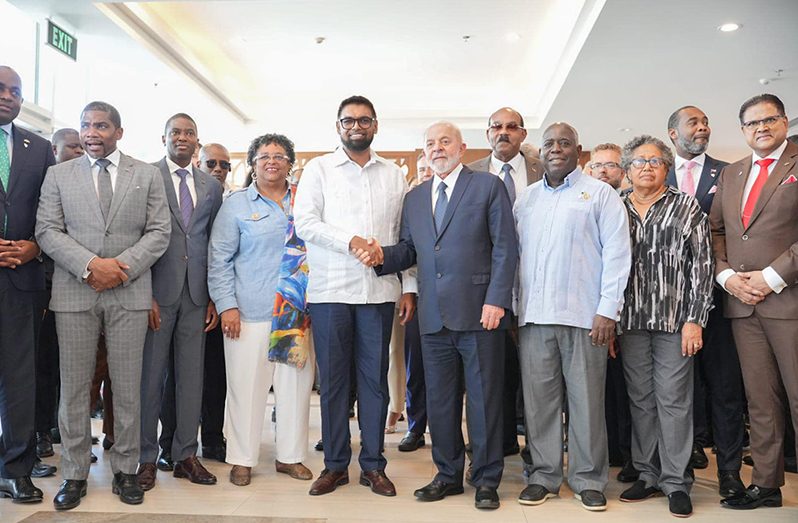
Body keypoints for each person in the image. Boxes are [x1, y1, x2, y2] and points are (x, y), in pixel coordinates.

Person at [366, 120, 517, 510]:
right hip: (433, 317)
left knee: (483, 401)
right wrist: (381, 256)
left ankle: (485, 479)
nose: (436, 148)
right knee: (441, 401)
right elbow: (409, 250)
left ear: (462, 147)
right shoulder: (415, 198)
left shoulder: (487, 187)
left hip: (480, 312)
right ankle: (447, 475)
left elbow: (505, 248)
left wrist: (496, 299)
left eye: (444, 141)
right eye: (430, 143)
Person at [36, 100, 170, 510]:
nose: (92, 132)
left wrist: (120, 268)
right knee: (74, 388)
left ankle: (126, 470)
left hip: (128, 292)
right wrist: (91, 265)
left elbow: (160, 231)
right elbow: (47, 230)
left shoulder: (145, 174)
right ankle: (74, 473)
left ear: (119, 132)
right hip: (76, 292)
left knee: (127, 387)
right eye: (85, 126)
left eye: (101, 126)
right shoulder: (58, 175)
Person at [294, 95, 415, 498]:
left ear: (375, 125)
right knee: (333, 384)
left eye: (364, 120)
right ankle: (335, 465)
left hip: (379, 292)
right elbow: (306, 223)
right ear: (338, 127)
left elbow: (403, 236)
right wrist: (352, 241)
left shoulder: (394, 175)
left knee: (374, 382)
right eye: (349, 121)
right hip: (331, 291)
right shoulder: (319, 169)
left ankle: (374, 466)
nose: (356, 126)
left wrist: (409, 286)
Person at [514, 123, 630, 512]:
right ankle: (544, 475)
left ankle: (587, 478)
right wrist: (516, 308)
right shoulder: (526, 200)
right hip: (534, 316)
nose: (556, 149)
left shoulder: (600, 195)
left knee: (586, 402)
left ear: (578, 151)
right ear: (540, 152)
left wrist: (607, 310)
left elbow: (617, 255)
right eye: (549, 143)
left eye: (565, 143)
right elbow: (515, 259)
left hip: (586, 318)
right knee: (539, 403)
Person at [209, 133, 315, 487]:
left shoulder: (306, 201)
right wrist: (227, 307)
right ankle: (242, 458)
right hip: (248, 311)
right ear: (252, 164)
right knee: (246, 388)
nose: (272, 161)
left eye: (280, 155)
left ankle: (290, 457)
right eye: (264, 156)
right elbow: (219, 259)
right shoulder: (236, 205)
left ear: (290, 163)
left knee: (294, 389)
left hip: (296, 312)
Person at [617, 135, 713, 518]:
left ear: (666, 168)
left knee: (673, 400)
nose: (647, 167)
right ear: (628, 169)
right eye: (639, 161)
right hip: (630, 322)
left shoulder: (686, 206)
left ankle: (675, 481)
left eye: (655, 161)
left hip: (676, 322)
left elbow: (703, 267)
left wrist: (696, 319)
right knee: (640, 400)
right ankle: (647, 473)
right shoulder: (616, 207)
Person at [711, 94, 798, 511]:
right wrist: (728, 277)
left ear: (784, 122)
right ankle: (766, 485)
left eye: (770, 119)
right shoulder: (732, 173)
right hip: (743, 304)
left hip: (789, 299)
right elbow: (715, 233)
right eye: (752, 123)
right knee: (761, 399)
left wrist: (771, 276)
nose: (761, 128)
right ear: (743, 131)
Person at [136, 113, 222, 491]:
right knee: (150, 379)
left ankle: (186, 454)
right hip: (156, 293)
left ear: (197, 141)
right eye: (176, 132)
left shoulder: (211, 186)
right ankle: (145, 458)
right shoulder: (144, 177)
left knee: (192, 378)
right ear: (164, 138)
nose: (182, 138)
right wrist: (143, 294)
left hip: (196, 295)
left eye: (189, 133)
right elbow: (137, 237)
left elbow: (214, 243)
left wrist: (214, 297)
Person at [666, 105, 745, 499]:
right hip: (665, 305)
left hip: (717, 299)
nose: (702, 128)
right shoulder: (653, 173)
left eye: (705, 122)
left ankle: (730, 471)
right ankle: (678, 467)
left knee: (725, 387)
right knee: (677, 390)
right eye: (693, 123)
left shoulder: (730, 173)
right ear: (672, 133)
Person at [467, 106, 542, 461]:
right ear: (487, 134)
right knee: (493, 373)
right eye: (496, 126)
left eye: (512, 127)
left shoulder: (546, 171)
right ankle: (496, 444)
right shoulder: (469, 175)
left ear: (523, 134)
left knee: (536, 371)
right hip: (489, 289)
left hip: (537, 284)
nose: (503, 132)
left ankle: (536, 450)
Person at [0, 65, 55, 505]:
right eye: (1, 88)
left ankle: (15, 469)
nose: (8, 96)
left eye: (15, 91)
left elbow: (50, 210)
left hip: (23, 279)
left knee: (20, 378)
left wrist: (36, 247)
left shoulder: (37, 147)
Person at [586, 142, 638, 484]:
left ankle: (633, 456)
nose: (604, 171)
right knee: (596, 392)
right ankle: (605, 454)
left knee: (629, 390)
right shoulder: (583, 206)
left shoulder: (632, 206)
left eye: (612, 166)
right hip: (591, 313)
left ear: (624, 172)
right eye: (598, 165)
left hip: (631, 313)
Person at [197, 141, 233, 463]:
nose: (218, 170)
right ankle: (173, 444)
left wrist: (218, 299)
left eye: (224, 165)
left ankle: (212, 438)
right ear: (198, 162)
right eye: (212, 164)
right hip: (180, 299)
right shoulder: (185, 196)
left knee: (215, 374)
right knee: (176, 377)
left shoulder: (232, 202)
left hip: (217, 303)